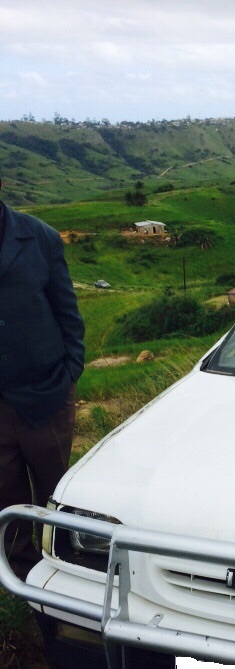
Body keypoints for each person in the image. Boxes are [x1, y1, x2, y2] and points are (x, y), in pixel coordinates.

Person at [0, 180, 84, 579]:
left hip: (46, 392)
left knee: (56, 489)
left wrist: (71, 373)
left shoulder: (39, 237)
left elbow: (67, 311)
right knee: (5, 494)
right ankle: (20, 571)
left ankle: (65, 567)